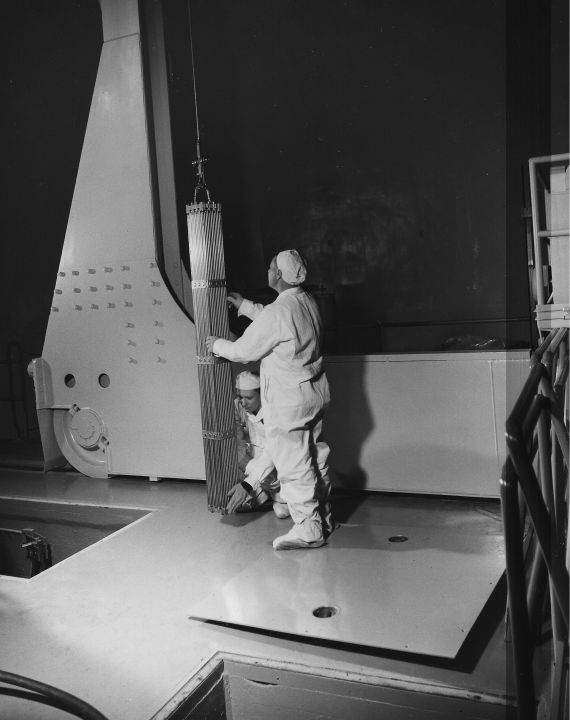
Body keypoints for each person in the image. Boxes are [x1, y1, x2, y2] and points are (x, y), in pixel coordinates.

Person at [206, 249, 332, 551]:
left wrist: (216, 345)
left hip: (290, 402)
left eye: (271, 267)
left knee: (295, 465)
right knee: (318, 457)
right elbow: (276, 320)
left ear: (277, 275)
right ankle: (324, 518)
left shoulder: (279, 313)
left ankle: (308, 529)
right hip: (313, 393)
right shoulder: (304, 301)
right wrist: (246, 306)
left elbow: (244, 351)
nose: (268, 271)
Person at [229, 370, 289, 520]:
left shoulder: (275, 410)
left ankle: (280, 496)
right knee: (233, 452)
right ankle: (263, 492)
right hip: (253, 457)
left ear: (262, 394)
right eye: (240, 396)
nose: (243, 402)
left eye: (249, 397)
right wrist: (242, 461)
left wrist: (249, 484)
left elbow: (273, 452)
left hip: (277, 458)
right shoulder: (238, 405)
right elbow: (237, 437)